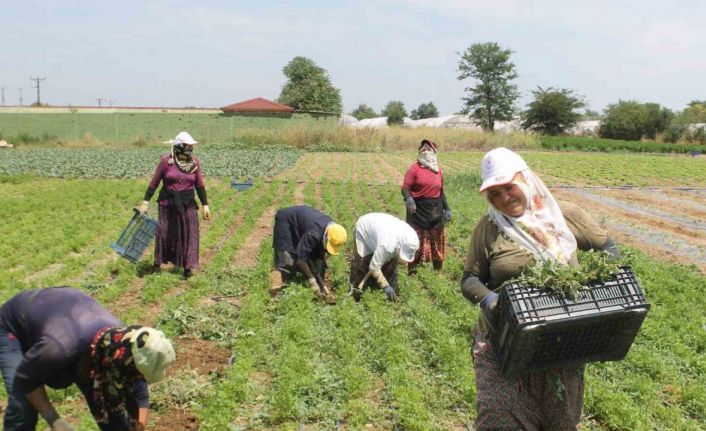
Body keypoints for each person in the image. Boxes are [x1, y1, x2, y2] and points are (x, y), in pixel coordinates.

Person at [461, 147, 621, 430]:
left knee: (559, 421)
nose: (503, 198)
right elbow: (470, 279)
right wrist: (490, 300)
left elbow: (606, 246)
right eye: (494, 193)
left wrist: (601, 276)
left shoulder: (565, 215)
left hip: (561, 341)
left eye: (509, 187)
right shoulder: (488, 227)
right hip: (504, 340)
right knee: (498, 418)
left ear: (525, 179)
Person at [0, 287, 176, 431]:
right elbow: (26, 377)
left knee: (108, 405)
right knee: (22, 408)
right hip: (14, 328)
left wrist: (138, 426)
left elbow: (137, 387)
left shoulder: (122, 345)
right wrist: (54, 420)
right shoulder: (59, 349)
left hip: (65, 323)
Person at [138, 131, 210, 279]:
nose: (190, 148)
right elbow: (154, 182)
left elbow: (200, 185)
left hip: (187, 203)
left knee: (189, 234)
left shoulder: (194, 163)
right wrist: (145, 202)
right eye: (187, 146)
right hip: (167, 202)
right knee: (164, 232)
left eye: (191, 146)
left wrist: (205, 205)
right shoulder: (166, 161)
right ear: (179, 146)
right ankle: (157, 265)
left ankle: (187, 268)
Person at [272, 205, 347, 304]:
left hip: (303, 226)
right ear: (326, 237)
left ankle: (320, 288)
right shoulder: (314, 234)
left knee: (316, 256)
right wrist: (312, 280)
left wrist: (320, 283)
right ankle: (288, 287)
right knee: (288, 257)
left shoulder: (333, 230)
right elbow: (300, 259)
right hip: (286, 221)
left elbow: (319, 255)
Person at [401, 139, 452, 273]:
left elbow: (441, 192)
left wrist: (447, 208)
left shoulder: (438, 170)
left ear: (434, 153)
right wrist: (409, 198)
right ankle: (412, 272)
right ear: (419, 152)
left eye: (429, 149)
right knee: (415, 243)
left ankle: (437, 273)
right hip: (417, 212)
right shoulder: (414, 168)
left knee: (437, 243)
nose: (426, 151)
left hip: (435, 211)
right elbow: (405, 187)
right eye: (423, 149)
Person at [349, 213, 420, 302]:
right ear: (399, 246)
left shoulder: (412, 238)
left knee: (389, 267)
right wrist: (386, 286)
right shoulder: (387, 245)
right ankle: (355, 291)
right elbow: (374, 267)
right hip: (365, 231)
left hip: (382, 231)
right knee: (362, 265)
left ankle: (390, 294)